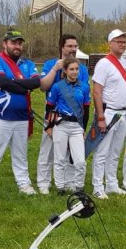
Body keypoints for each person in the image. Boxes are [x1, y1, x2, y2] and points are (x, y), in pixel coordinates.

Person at [0, 30, 42, 196]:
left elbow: (35, 82)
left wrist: (14, 82)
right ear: (5, 44)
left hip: (21, 117)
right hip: (0, 115)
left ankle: (24, 184)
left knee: (21, 154)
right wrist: (22, 86)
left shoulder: (27, 63)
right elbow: (1, 81)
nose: (17, 46)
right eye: (13, 43)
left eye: (19, 43)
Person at [37, 34, 87, 194]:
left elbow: (82, 92)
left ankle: (70, 182)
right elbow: (43, 86)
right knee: (48, 150)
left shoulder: (82, 69)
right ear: (62, 47)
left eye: (75, 46)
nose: (73, 49)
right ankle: (43, 183)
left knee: (72, 154)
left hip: (75, 117)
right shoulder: (50, 64)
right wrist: (55, 69)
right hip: (53, 114)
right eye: (69, 46)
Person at [90, 29, 126, 199]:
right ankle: (97, 186)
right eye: (118, 41)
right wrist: (100, 117)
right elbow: (97, 91)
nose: (122, 44)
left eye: (124, 41)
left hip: (122, 113)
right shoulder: (104, 64)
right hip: (107, 113)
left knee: (115, 152)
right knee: (102, 152)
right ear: (110, 44)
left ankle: (112, 184)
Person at [45, 58, 92, 194]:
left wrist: (83, 128)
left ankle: (79, 187)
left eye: (77, 69)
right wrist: (49, 126)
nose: (75, 72)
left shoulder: (84, 87)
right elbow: (50, 107)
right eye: (71, 69)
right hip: (61, 125)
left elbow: (86, 110)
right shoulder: (57, 87)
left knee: (80, 161)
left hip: (77, 126)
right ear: (65, 71)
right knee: (59, 158)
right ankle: (60, 187)